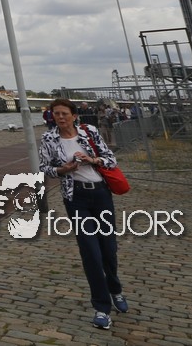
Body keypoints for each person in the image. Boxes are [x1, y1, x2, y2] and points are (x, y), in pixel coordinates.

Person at [39, 97, 128, 331]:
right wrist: (63, 169)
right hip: (75, 198)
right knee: (91, 253)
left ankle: (115, 289)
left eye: (64, 113)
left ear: (74, 116)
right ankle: (101, 308)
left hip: (100, 195)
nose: (60, 117)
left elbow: (111, 159)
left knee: (108, 249)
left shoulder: (89, 132)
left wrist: (92, 160)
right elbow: (45, 168)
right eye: (56, 114)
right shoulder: (49, 138)